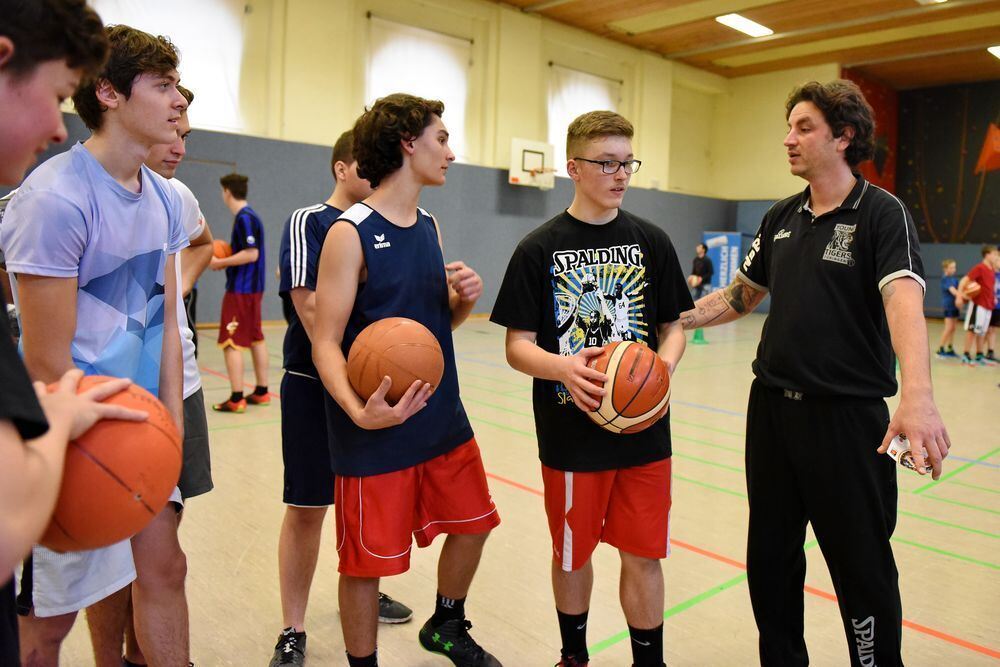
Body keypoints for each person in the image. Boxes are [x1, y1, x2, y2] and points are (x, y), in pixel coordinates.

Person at [679, 80, 950, 666]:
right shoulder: (781, 216)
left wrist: (918, 395)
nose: (789, 139)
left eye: (804, 128)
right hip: (772, 413)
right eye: (789, 127)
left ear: (843, 136)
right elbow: (741, 296)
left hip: (847, 420)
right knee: (771, 560)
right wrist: (675, 319)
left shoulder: (882, 213)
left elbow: (903, 299)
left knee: (862, 566)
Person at [2, 24, 193, 666]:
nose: (178, 101)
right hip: (73, 439)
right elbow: (47, 363)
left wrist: (169, 428)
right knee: (47, 627)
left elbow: (168, 324)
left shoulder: (165, 197)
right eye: (162, 85)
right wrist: (86, 458)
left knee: (165, 569)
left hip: (140, 425)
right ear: (108, 93)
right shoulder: (54, 200)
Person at [491, 110, 691, 667]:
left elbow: (674, 327)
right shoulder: (538, 248)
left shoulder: (652, 241)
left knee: (644, 556)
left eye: (628, 162)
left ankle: (649, 662)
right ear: (573, 168)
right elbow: (517, 345)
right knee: (574, 555)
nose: (621, 173)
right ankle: (574, 656)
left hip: (646, 434)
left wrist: (661, 371)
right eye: (607, 163)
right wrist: (564, 369)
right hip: (571, 432)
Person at [312, 93, 500, 667]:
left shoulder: (430, 225)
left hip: (442, 417)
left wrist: (463, 302)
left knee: (476, 523)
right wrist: (357, 410)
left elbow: (434, 328)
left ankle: (446, 623)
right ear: (407, 144)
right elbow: (324, 340)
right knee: (367, 563)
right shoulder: (351, 231)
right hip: (377, 427)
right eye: (441, 138)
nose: (450, 151)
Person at [270, 129, 412, 667]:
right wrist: (354, 371)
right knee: (307, 507)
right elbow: (310, 313)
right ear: (340, 169)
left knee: (365, 507)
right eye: (364, 167)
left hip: (375, 393)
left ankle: (363, 591)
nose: (374, 177)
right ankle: (293, 626)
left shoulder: (390, 227)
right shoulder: (312, 221)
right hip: (314, 387)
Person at [211, 172, 269, 411]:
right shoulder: (252, 216)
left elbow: (251, 253)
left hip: (241, 290)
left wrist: (220, 262)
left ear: (227, 192)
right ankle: (262, 391)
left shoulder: (244, 218)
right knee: (256, 338)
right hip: (254, 290)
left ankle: (236, 398)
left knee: (230, 341)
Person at [955, 244, 998, 366]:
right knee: (972, 330)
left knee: (982, 332)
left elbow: (990, 287)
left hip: (988, 305)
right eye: (994, 254)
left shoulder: (991, 270)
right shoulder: (980, 268)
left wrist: (993, 297)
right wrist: (959, 296)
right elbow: (964, 280)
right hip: (978, 305)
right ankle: (966, 355)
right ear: (987, 255)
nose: (996, 257)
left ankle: (979, 355)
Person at [936, 259, 960, 358]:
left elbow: (960, 290)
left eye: (954, 267)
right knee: (948, 327)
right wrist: (965, 295)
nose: (954, 269)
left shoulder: (954, 279)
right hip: (948, 306)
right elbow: (954, 291)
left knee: (953, 328)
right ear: (945, 269)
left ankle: (950, 348)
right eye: (951, 267)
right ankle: (940, 348)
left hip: (955, 306)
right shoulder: (945, 279)